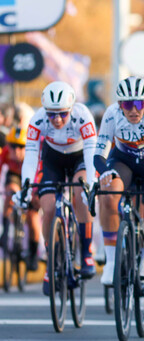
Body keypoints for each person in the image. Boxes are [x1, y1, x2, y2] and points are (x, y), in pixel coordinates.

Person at [13, 81, 97, 295]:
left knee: (80, 193)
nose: (57, 119)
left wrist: (91, 183)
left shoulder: (83, 115)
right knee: (48, 206)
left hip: (79, 157)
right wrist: (25, 185)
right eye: (52, 114)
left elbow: (91, 152)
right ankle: (52, 261)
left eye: (62, 114)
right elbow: (31, 155)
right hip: (54, 159)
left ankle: (86, 252)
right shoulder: (38, 119)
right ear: (45, 112)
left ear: (71, 109)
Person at [94, 76, 144, 300]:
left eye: (138, 104)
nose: (134, 110)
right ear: (120, 105)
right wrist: (103, 171)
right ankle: (111, 260)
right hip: (123, 161)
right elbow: (98, 153)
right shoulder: (111, 114)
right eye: (128, 104)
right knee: (107, 195)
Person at [0, 127, 41, 271]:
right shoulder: (5, 153)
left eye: (20, 147)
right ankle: (5, 232)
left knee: (32, 215)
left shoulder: (33, 156)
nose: (16, 150)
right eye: (12, 146)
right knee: (10, 192)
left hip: (32, 178)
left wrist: (33, 195)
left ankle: (33, 253)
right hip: (15, 176)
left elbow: (38, 176)